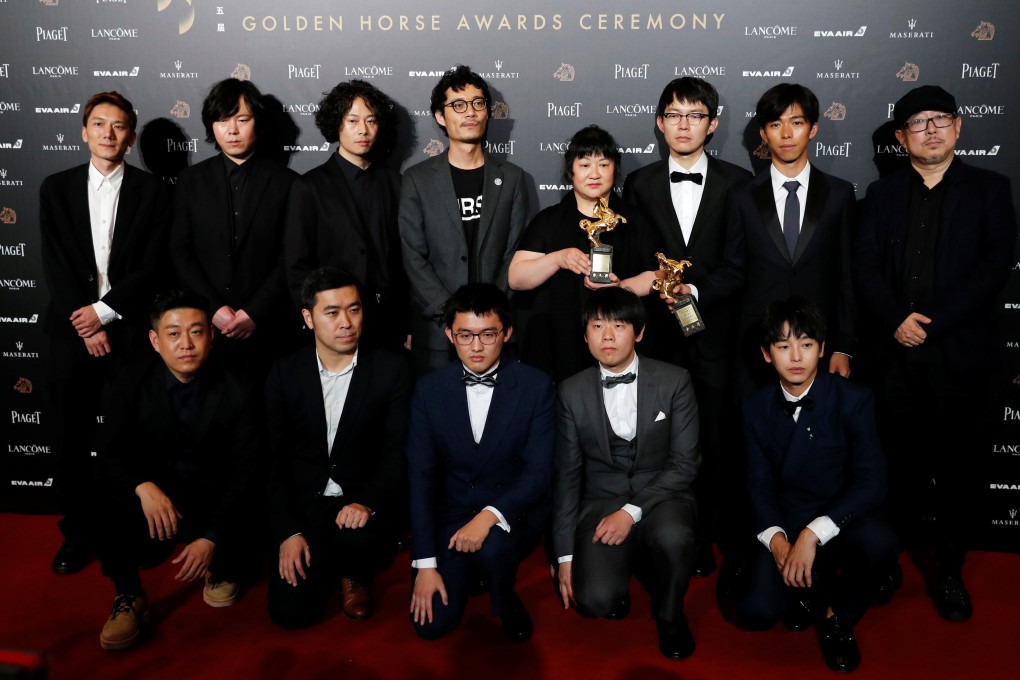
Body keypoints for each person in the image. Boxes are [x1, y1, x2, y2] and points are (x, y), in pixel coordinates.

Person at [855, 85, 1017, 622]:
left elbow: (993, 267)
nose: (930, 130)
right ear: (901, 138)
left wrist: (935, 323)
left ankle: (948, 570)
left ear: (958, 126)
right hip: (894, 358)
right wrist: (895, 321)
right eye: (917, 123)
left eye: (939, 120)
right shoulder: (880, 197)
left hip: (962, 358)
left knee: (957, 472)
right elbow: (866, 269)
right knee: (894, 469)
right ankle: (888, 563)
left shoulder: (990, 189)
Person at [623, 77, 752, 576]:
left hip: (718, 333)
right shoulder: (640, 184)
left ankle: (713, 531)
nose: (683, 124)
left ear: (713, 124)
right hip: (656, 337)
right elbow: (636, 256)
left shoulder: (739, 182)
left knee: (716, 439)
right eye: (673, 114)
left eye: (695, 115)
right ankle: (668, 531)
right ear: (659, 122)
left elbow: (741, 265)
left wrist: (696, 291)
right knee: (661, 441)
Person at [39, 91, 172, 575]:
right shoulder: (55, 188)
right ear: (84, 131)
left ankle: (135, 529)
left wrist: (106, 312)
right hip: (68, 333)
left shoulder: (153, 191)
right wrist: (86, 321)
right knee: (69, 438)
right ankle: (77, 534)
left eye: (119, 126)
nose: (108, 134)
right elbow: (54, 265)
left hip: (129, 332)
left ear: (131, 137)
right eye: (99, 124)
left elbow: (152, 265)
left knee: (130, 438)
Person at [93, 290, 262, 651]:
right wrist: (142, 487)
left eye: (196, 332)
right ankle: (129, 595)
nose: (186, 344)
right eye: (173, 334)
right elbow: (108, 455)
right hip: (159, 497)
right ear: (155, 341)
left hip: (215, 498)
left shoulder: (239, 385)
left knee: (253, 516)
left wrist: (212, 537)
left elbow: (247, 470)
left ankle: (222, 563)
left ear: (211, 336)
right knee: (102, 494)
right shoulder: (129, 381)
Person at [739, 298, 897, 673]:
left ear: (822, 349)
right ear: (766, 354)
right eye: (783, 346)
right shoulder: (755, 407)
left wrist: (812, 534)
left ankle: (834, 612)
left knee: (882, 542)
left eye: (807, 344)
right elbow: (757, 485)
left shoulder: (854, 399)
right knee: (754, 611)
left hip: (841, 515)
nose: (796, 356)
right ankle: (807, 583)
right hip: (787, 515)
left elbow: (872, 482)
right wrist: (780, 543)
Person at [554, 287, 701, 660]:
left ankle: (669, 615)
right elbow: (568, 477)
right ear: (585, 334)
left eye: (618, 325)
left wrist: (631, 512)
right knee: (593, 600)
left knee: (674, 537)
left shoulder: (674, 380)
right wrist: (565, 557)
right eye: (597, 325)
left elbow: (685, 463)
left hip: (661, 495)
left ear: (639, 332)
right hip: (601, 500)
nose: (607, 335)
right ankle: (621, 574)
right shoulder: (570, 392)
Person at [265, 267, 412, 629]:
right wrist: (288, 531)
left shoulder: (391, 369)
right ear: (308, 318)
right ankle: (324, 561)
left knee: (360, 542)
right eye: (332, 312)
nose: (346, 322)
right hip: (305, 505)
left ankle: (353, 572)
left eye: (354, 309)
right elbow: (270, 461)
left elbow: (398, 452)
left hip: (359, 502)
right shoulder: (284, 373)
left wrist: (369, 501)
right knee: (289, 614)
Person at [407, 283, 554, 641]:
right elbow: (420, 477)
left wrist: (488, 517)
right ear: (448, 334)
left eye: (488, 334)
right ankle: (469, 573)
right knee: (431, 626)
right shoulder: (429, 389)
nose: (476, 347)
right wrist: (425, 563)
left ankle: (504, 598)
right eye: (465, 335)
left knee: (496, 548)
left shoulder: (537, 386)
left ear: (506, 332)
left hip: (508, 510)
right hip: (452, 513)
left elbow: (539, 471)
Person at [690, 83, 856, 393]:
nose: (787, 133)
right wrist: (694, 291)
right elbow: (733, 268)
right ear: (764, 134)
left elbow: (845, 277)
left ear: (813, 128)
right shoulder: (742, 197)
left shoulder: (839, 194)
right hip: (758, 344)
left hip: (818, 344)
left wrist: (842, 347)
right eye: (775, 124)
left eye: (797, 122)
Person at [399, 65, 529, 375]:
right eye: (458, 105)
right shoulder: (417, 180)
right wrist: (453, 315)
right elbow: (413, 255)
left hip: (494, 332)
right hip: (438, 332)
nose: (469, 112)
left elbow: (514, 253)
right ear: (441, 117)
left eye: (477, 103)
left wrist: (488, 318)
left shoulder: (511, 179)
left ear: (488, 112)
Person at [509, 125, 660, 383]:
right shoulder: (549, 221)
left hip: (619, 344)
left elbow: (658, 274)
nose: (594, 174)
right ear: (571, 172)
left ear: (615, 170)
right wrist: (557, 258)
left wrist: (622, 287)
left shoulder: (634, 221)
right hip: (558, 343)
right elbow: (516, 278)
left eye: (603, 164)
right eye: (585, 164)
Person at [169, 78, 296, 372]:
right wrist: (213, 309)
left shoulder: (287, 184)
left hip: (269, 332)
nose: (233, 130)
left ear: (257, 122)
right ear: (212, 126)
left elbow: (290, 256)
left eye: (242, 119)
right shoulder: (191, 182)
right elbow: (179, 252)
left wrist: (255, 311)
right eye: (223, 120)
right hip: (205, 330)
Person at [284, 81, 408, 352]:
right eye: (352, 120)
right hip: (334, 323)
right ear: (336, 124)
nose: (363, 130)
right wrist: (314, 319)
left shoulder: (396, 184)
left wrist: (408, 322)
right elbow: (296, 264)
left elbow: (406, 259)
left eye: (371, 120)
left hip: (388, 323)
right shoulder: (309, 187)